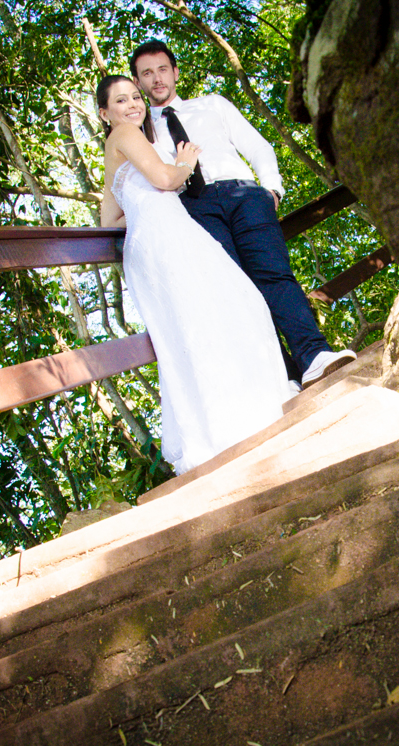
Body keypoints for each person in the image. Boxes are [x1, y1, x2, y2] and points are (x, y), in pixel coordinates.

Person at [97, 74, 295, 475]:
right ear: (105, 113)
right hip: (169, 239)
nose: (134, 104)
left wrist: (145, 207)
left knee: (190, 329)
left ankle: (217, 425)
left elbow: (109, 216)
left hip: (149, 241)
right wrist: (185, 162)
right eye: (121, 100)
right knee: (238, 304)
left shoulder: (116, 148)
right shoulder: (126, 134)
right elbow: (167, 179)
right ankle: (241, 415)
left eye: (136, 97)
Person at [129, 40, 355, 389]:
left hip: (244, 195)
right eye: (147, 73)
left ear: (175, 72)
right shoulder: (142, 134)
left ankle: (314, 356)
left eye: (162, 69)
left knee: (275, 275)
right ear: (138, 81)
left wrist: (271, 189)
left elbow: (258, 146)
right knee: (237, 294)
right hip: (193, 208)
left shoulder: (212, 105)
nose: (157, 79)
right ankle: (284, 378)